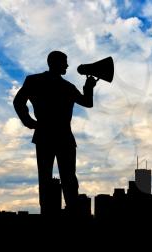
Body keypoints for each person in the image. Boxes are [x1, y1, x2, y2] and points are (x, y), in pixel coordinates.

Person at [13, 51, 98, 215]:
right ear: (55, 63)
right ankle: (68, 213)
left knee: (51, 179)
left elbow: (87, 103)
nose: (67, 65)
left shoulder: (43, 82)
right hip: (61, 137)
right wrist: (29, 122)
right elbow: (18, 102)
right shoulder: (60, 85)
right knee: (67, 179)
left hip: (48, 136)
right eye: (64, 62)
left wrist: (30, 122)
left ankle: (52, 213)